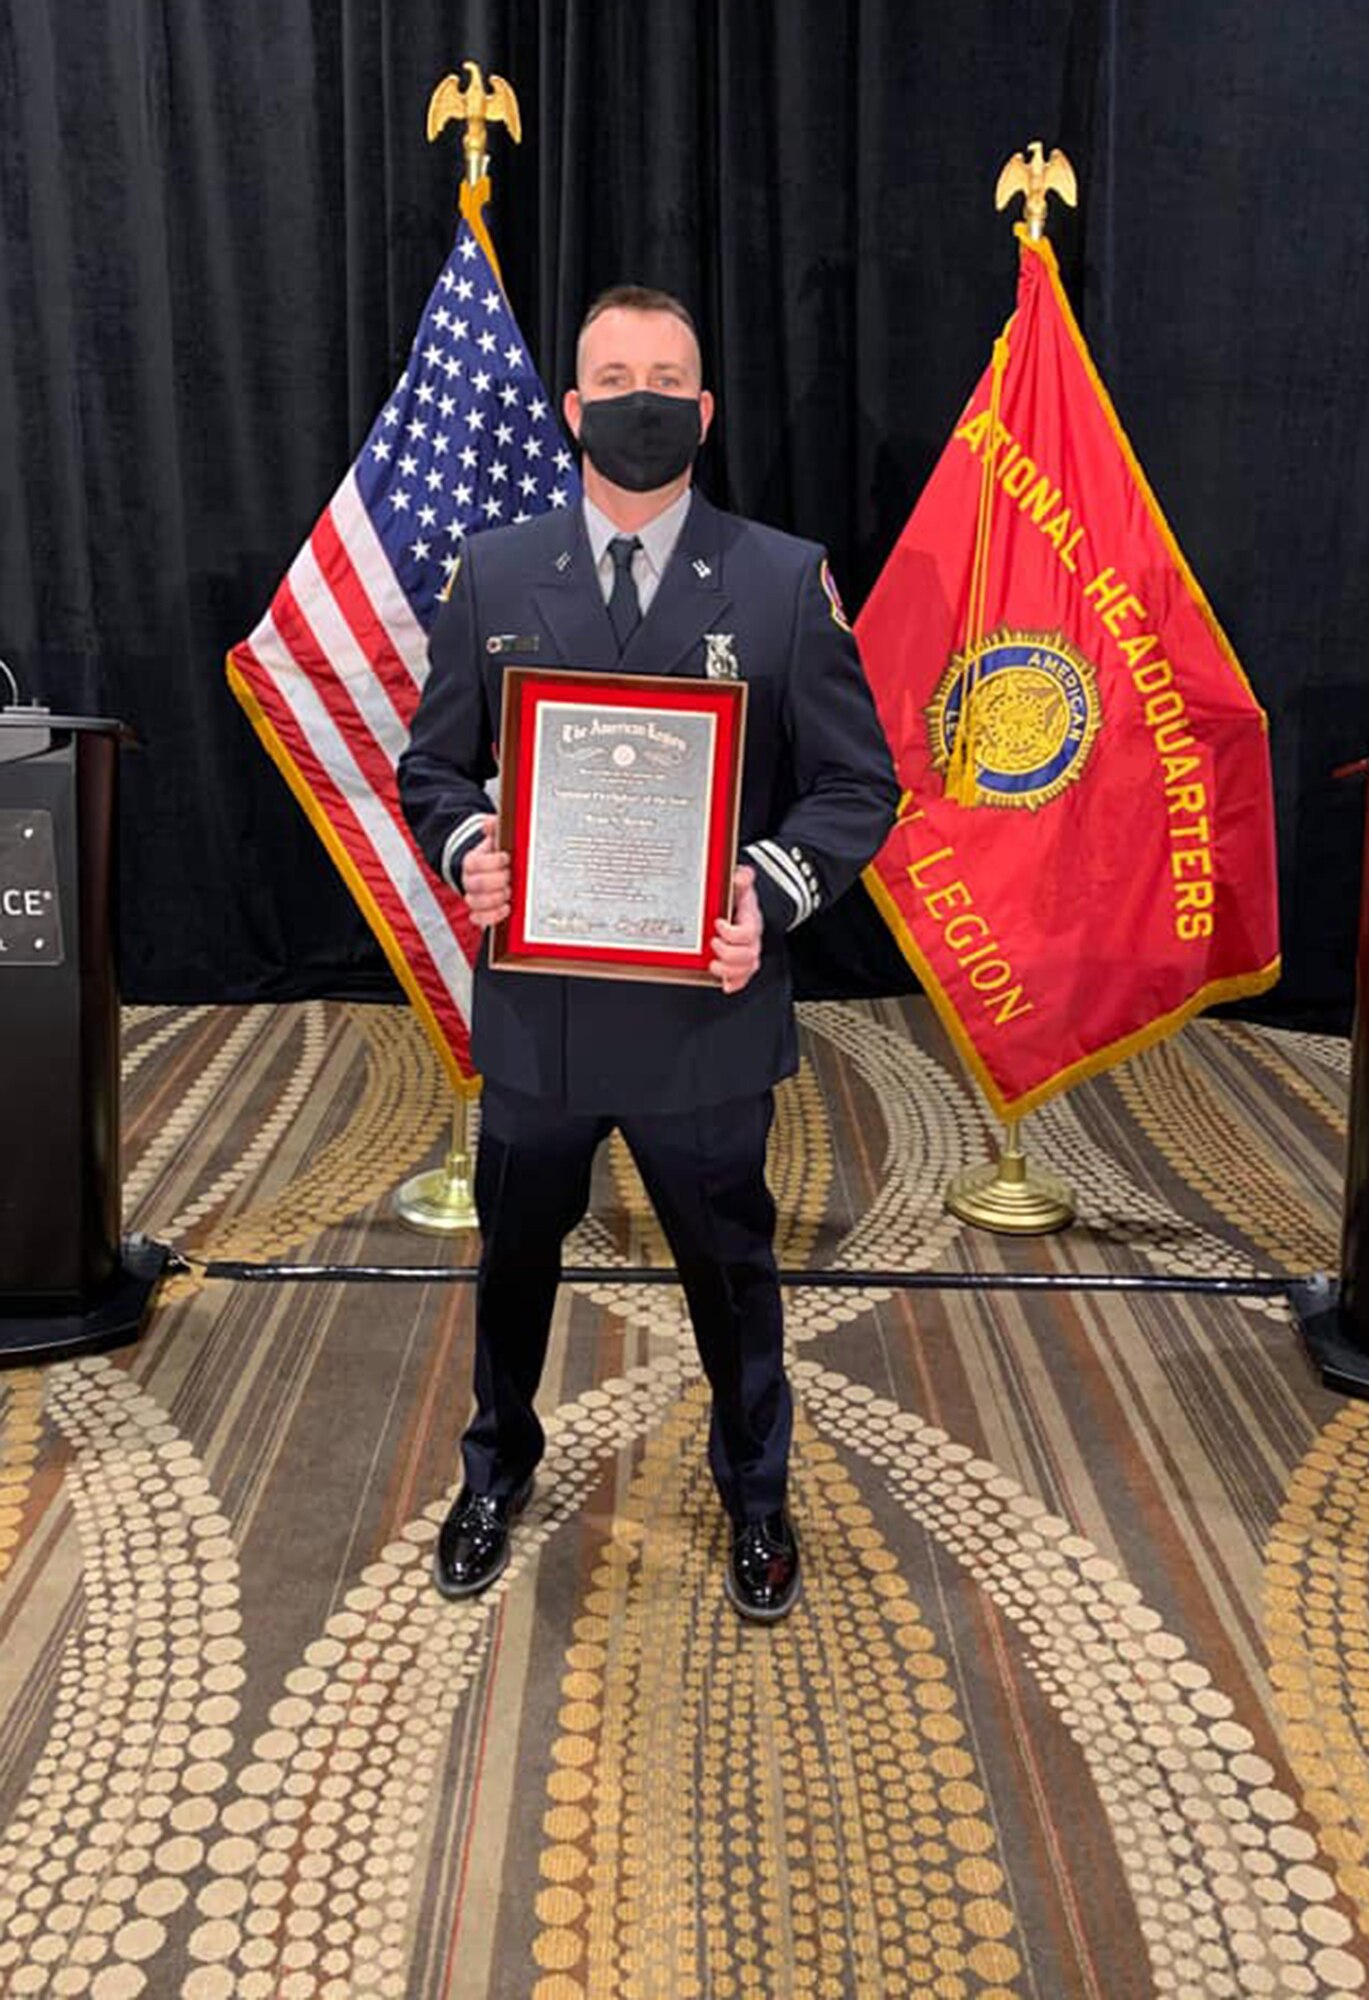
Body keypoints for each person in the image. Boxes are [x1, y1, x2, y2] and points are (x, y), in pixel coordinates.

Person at [398, 284, 898, 1621]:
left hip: (702, 1015)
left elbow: (856, 787)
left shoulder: (783, 579)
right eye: (613, 376)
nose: (639, 400)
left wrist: (763, 889)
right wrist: (469, 853)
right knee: (513, 1262)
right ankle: (495, 1469)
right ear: (569, 408)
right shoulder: (496, 573)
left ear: (704, 409)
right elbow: (433, 767)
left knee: (730, 1275)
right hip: (541, 1014)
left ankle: (754, 1491)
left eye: (665, 377)